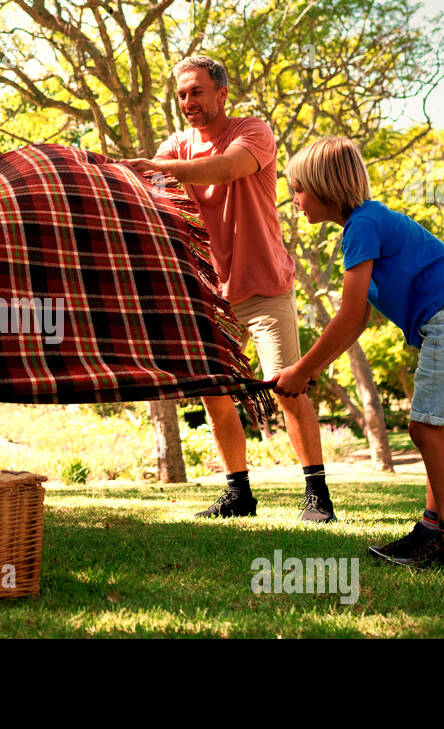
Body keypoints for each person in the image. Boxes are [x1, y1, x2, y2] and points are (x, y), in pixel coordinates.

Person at [123, 56, 335, 522]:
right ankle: (239, 494)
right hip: (206, 293)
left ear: (221, 93)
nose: (187, 102)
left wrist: (162, 168)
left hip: (262, 286)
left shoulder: (252, 131)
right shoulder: (173, 147)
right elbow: (160, 205)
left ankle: (317, 496)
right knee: (213, 390)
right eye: (181, 94)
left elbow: (228, 168)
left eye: (196, 91)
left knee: (286, 386)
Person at [273, 137, 444, 568]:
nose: (295, 201)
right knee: (435, 431)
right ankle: (434, 529)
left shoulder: (362, 225)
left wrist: (302, 370)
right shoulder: (368, 223)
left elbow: (350, 312)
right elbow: (357, 323)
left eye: (298, 189)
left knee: (427, 431)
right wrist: (312, 369)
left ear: (324, 186)